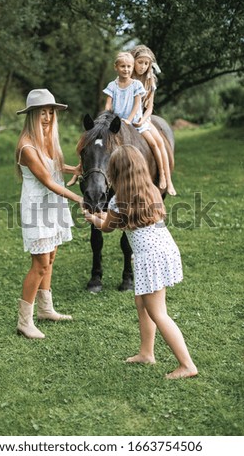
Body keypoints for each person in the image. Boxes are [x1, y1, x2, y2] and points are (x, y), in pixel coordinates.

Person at [84, 145, 198, 379]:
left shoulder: (118, 200)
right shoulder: (150, 190)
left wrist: (91, 216)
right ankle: (147, 353)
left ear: (115, 173)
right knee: (141, 302)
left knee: (158, 313)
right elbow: (120, 220)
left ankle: (187, 365)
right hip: (163, 250)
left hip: (150, 259)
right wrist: (101, 216)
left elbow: (107, 227)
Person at [15, 88, 82, 339]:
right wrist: (78, 199)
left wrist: (72, 168)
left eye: (50, 112)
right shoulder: (27, 146)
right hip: (37, 208)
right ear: (31, 115)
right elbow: (47, 181)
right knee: (40, 264)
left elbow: (52, 167)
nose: (47, 117)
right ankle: (25, 321)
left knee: (51, 257)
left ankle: (46, 309)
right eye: (42, 112)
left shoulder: (46, 138)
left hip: (52, 204)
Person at [130, 45, 177, 196]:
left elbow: (149, 108)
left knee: (158, 142)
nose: (143, 66)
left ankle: (165, 177)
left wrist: (143, 120)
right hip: (125, 117)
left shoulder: (150, 81)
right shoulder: (126, 77)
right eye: (140, 62)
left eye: (146, 63)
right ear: (133, 61)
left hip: (142, 117)